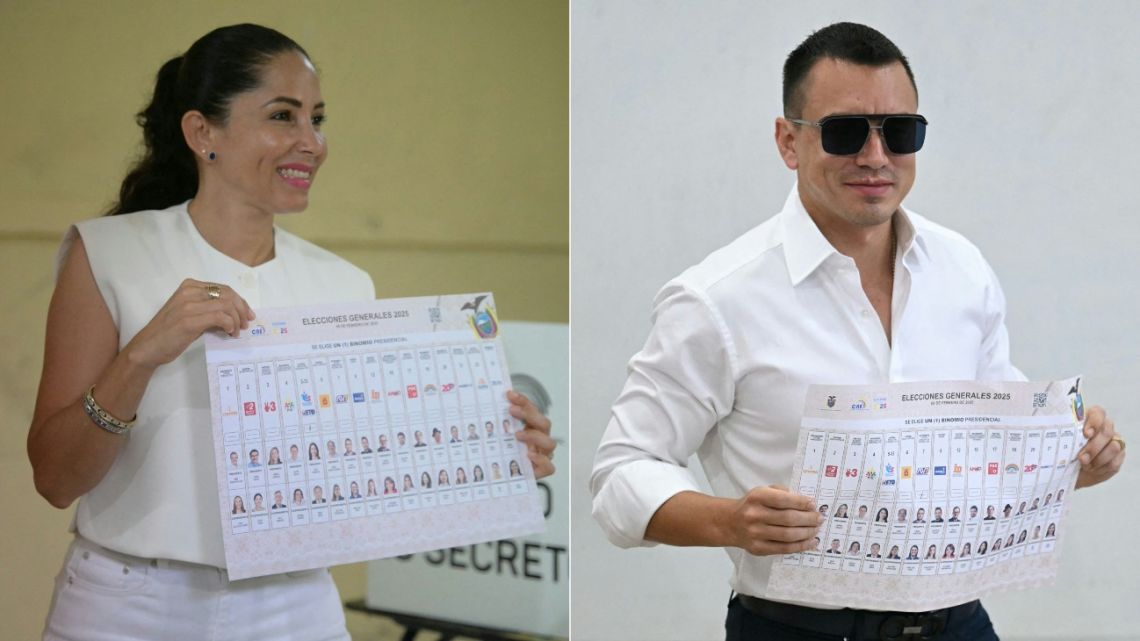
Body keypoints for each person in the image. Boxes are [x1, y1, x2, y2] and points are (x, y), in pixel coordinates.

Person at [588, 22, 1124, 640]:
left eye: (900, 132)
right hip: (797, 629)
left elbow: (996, 435)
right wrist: (729, 521)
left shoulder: (962, 270)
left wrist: (1072, 455)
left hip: (959, 622)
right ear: (788, 142)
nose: (876, 156)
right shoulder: (716, 298)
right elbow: (621, 469)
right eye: (845, 132)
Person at [27, 24, 557, 641]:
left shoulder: (346, 285)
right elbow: (55, 479)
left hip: (295, 605)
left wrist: (492, 455)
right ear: (202, 133)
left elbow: (370, 467)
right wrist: (141, 356)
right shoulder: (110, 252)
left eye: (317, 119)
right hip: (127, 605)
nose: (311, 143)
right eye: (283, 116)